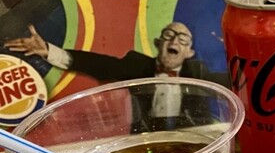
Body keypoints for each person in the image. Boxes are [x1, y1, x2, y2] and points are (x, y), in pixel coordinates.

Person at [4, 22, 230, 132]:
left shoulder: (198, 72)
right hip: (147, 140)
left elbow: (234, 82)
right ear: (158, 43)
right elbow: (100, 65)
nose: (174, 42)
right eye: (169, 35)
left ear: (189, 53)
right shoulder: (136, 65)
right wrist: (48, 50)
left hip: (194, 140)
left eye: (182, 40)